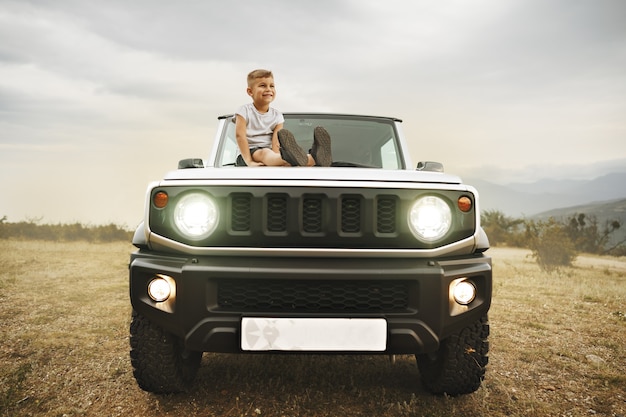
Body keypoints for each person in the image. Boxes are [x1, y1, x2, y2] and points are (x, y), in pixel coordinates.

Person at [234, 69, 332, 167]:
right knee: (264, 153)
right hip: (247, 154)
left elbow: (276, 142)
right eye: (263, 85)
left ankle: (315, 157)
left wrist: (278, 160)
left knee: (289, 163)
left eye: (272, 86)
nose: (268, 89)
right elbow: (240, 136)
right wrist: (249, 161)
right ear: (250, 91)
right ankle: (309, 158)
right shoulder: (244, 111)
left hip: (270, 154)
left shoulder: (277, 116)